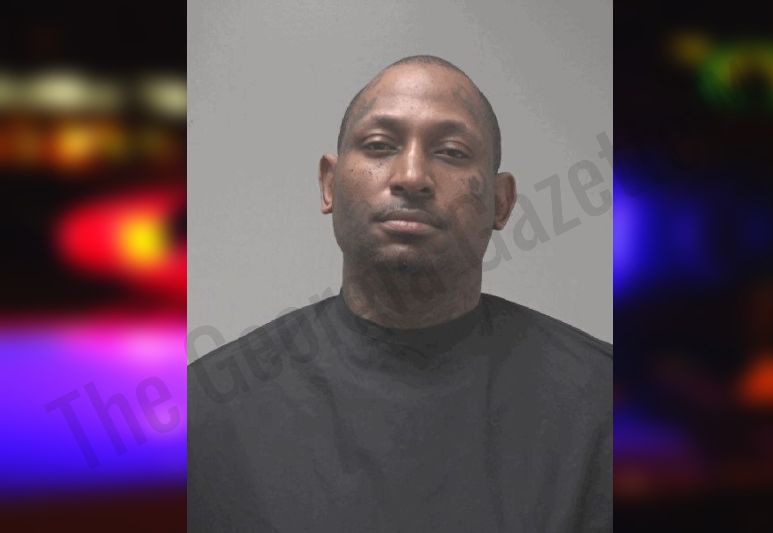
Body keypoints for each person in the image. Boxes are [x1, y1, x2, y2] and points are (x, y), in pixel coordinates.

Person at [188, 55, 612, 533]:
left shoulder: (605, 408)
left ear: (501, 201)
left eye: (451, 151)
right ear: (329, 184)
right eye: (379, 145)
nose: (411, 176)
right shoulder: (206, 414)